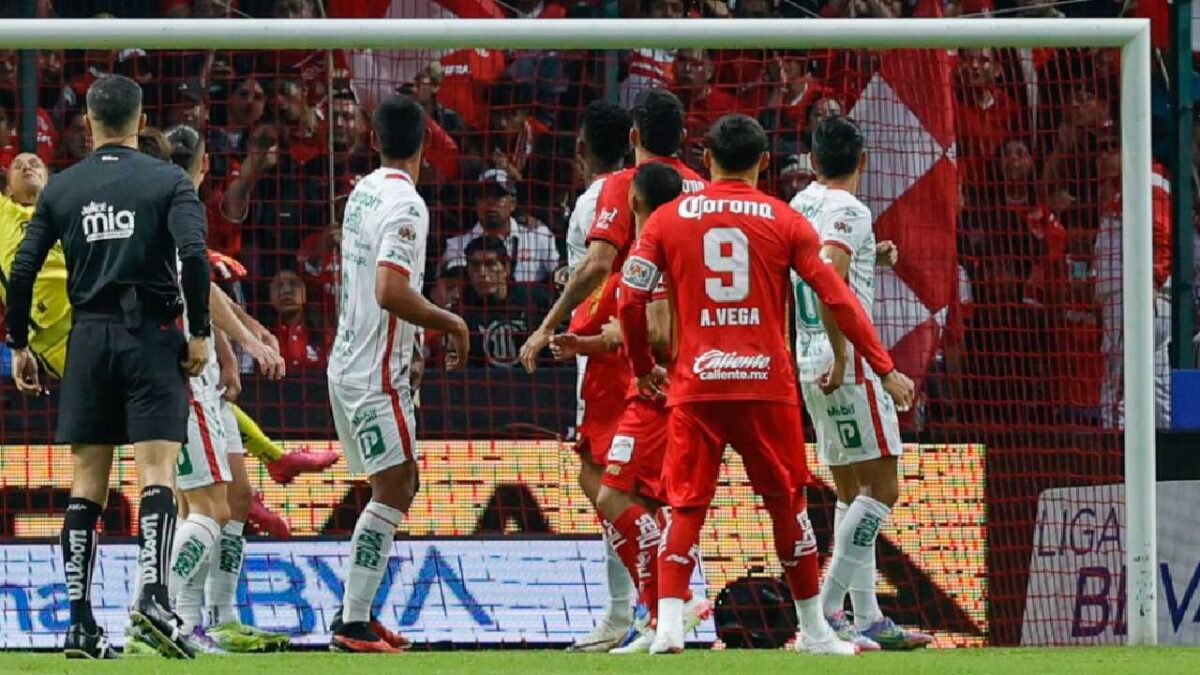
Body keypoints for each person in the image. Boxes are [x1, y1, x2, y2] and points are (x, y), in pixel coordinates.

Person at [618, 114, 915, 655]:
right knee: (789, 507)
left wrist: (641, 366)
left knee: (686, 508)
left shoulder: (667, 217)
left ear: (705, 159)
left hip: (697, 384)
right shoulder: (784, 217)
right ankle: (819, 631)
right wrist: (882, 362)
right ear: (763, 163)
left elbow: (629, 298)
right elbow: (838, 297)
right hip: (765, 384)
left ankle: (664, 629)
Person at [6, 74, 212, 660]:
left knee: (86, 483)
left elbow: (22, 271)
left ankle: (78, 625)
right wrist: (197, 331)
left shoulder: (63, 188)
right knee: (156, 472)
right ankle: (153, 596)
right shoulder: (169, 179)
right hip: (149, 334)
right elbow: (194, 256)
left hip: (88, 339)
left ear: (91, 121)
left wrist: (19, 343)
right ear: (140, 117)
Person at [520, 90, 706, 652]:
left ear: (633, 137)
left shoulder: (618, 188)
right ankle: (654, 609)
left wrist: (549, 326)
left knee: (605, 480)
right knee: (644, 488)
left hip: (627, 355)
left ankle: (646, 607)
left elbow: (600, 266)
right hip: (698, 355)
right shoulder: (703, 188)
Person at [121, 123, 290, 655]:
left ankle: (211, 621)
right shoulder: (171, 206)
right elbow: (194, 281)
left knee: (233, 498)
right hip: (180, 375)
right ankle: (157, 612)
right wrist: (247, 343)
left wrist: (243, 338)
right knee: (208, 509)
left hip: (200, 377)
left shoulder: (167, 208)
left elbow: (202, 287)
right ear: (205, 164)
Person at [326, 93, 470, 653]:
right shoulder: (409, 206)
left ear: (372, 141)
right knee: (397, 485)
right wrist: (450, 322)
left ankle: (357, 614)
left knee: (394, 484)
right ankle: (352, 620)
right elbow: (389, 290)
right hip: (372, 372)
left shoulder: (362, 191)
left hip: (354, 360)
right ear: (427, 144)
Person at [790, 114, 933, 651]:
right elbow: (829, 275)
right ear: (863, 162)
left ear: (811, 161)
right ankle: (824, 616)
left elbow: (813, 270)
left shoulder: (800, 205)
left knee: (851, 494)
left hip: (810, 358)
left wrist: (873, 255)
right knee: (883, 490)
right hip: (845, 364)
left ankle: (867, 617)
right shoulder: (848, 209)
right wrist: (854, 357)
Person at [550, 161, 695, 653]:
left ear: (633, 201)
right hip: (669, 386)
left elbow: (657, 330)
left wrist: (607, 341)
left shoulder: (655, 247)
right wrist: (586, 343)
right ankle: (658, 613)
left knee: (617, 499)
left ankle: (673, 599)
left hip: (658, 388)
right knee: (627, 497)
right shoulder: (684, 239)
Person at [439, 168, 560, 284]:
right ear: (476, 203)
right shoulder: (456, 247)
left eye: (498, 196)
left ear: (512, 204)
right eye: (484, 196)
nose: (490, 202)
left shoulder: (539, 237)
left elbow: (558, 278)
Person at [455, 235, 553, 369]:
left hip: (537, 382)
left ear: (506, 267)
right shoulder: (462, 312)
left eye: (490, 264)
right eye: (475, 265)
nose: (482, 273)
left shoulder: (536, 301)